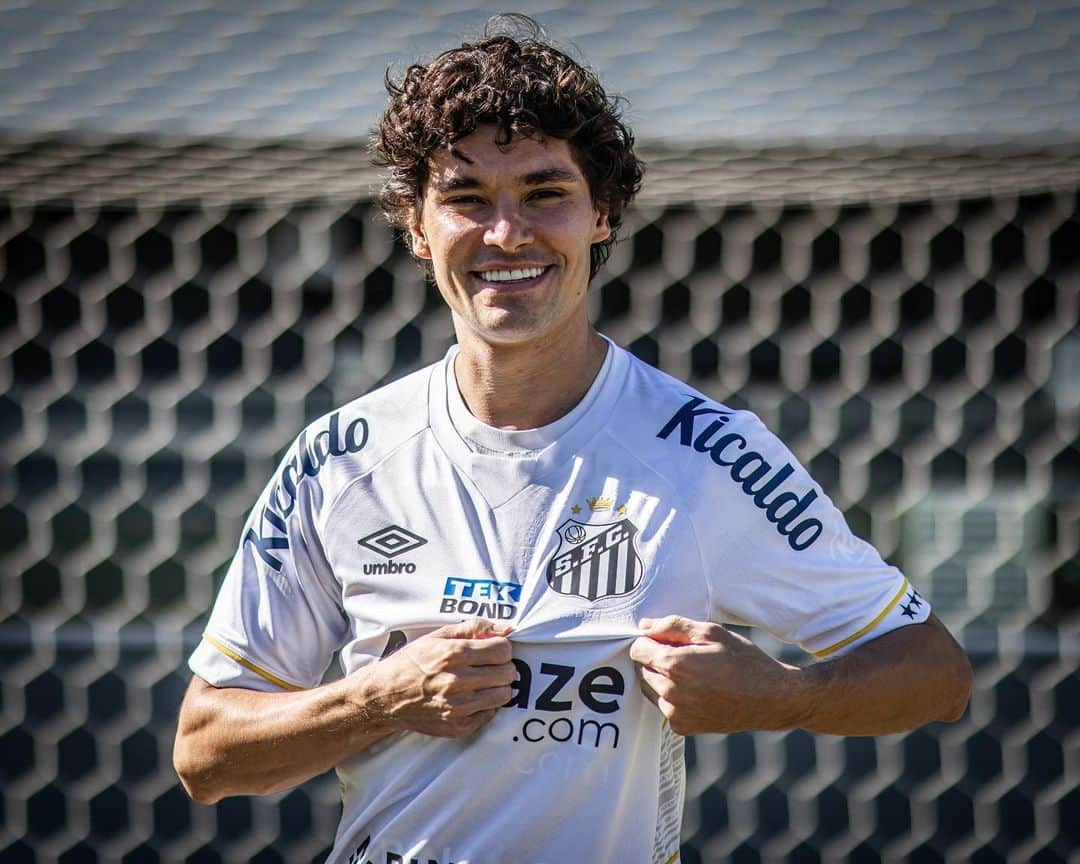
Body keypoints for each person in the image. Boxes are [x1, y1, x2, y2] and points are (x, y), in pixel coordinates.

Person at [173, 16, 972, 864]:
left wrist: (783, 695)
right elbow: (205, 752)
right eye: (467, 199)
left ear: (603, 214)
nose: (507, 235)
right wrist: (382, 698)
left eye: (545, 193)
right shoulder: (343, 457)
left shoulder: (711, 457)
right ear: (416, 227)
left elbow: (934, 673)